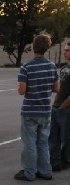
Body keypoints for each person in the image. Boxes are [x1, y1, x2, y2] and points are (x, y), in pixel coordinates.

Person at [15, 34, 60, 181]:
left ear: (33, 47)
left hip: (30, 110)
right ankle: (45, 171)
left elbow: (22, 90)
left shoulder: (26, 67)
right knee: (43, 142)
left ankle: (29, 172)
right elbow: (57, 88)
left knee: (29, 142)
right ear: (47, 48)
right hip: (45, 110)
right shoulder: (52, 66)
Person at [49, 42, 70, 171]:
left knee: (66, 137)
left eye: (68, 50)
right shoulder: (64, 68)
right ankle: (55, 161)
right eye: (66, 50)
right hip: (56, 107)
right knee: (53, 137)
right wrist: (55, 103)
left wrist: (63, 105)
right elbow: (60, 88)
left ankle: (65, 161)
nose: (65, 52)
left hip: (66, 109)